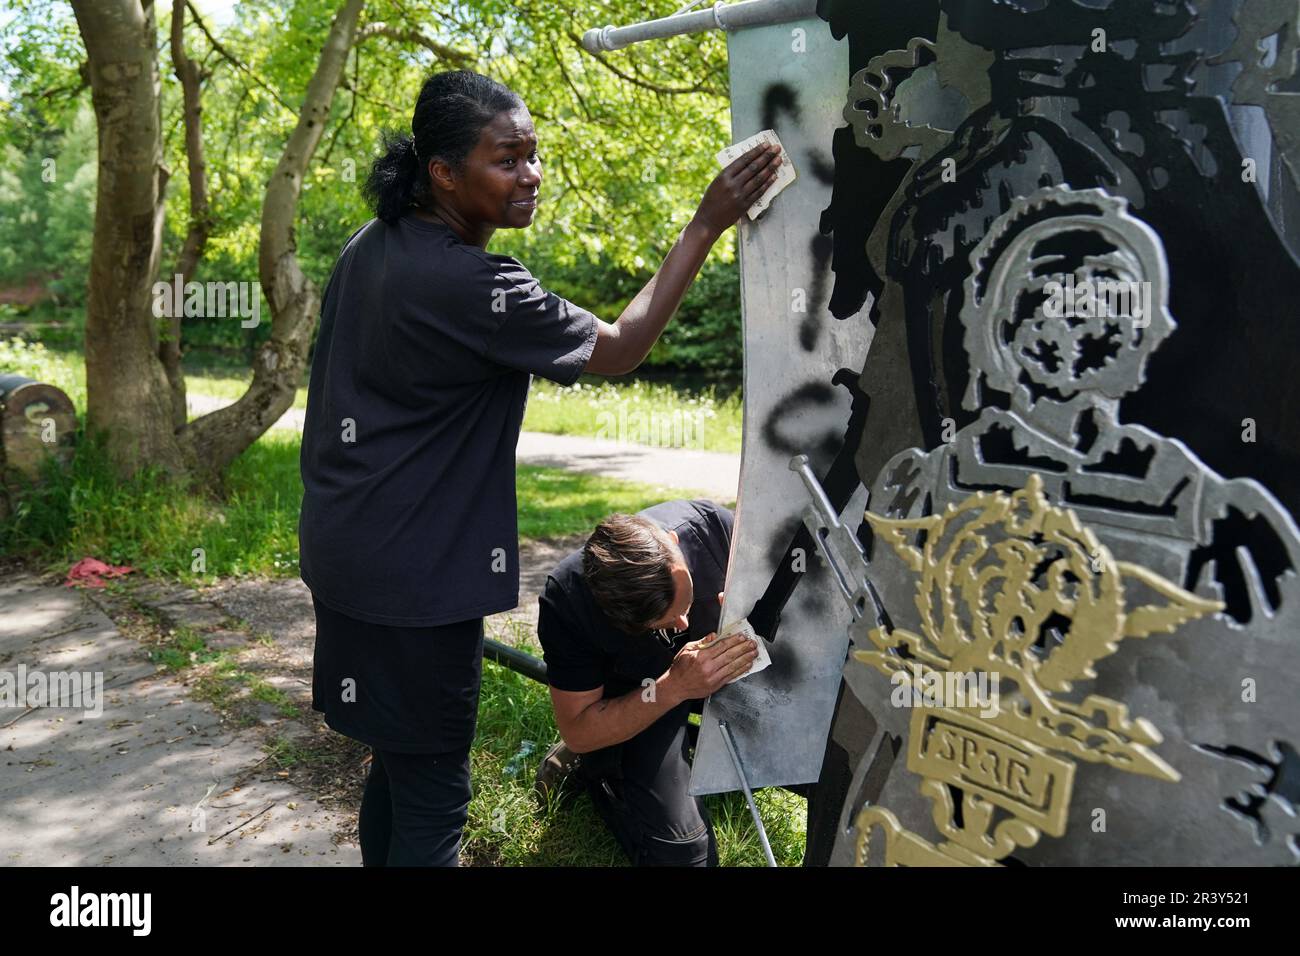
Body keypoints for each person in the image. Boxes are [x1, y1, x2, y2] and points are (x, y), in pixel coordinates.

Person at [298, 69, 782, 866]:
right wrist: (708, 219)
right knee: (435, 796)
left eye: (533, 154)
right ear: (443, 172)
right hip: (413, 585)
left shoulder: (372, 246)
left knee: (398, 763)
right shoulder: (471, 282)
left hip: (346, 554)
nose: (530, 175)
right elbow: (623, 348)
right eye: (506, 159)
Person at [535, 499, 758, 866]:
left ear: (672, 540)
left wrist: (751, 613)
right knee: (685, 855)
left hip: (729, 672)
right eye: (666, 622)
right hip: (643, 698)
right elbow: (579, 729)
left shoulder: (716, 531)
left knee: (829, 765)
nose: (684, 627)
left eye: (685, 606)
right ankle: (596, 769)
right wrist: (675, 687)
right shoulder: (570, 598)